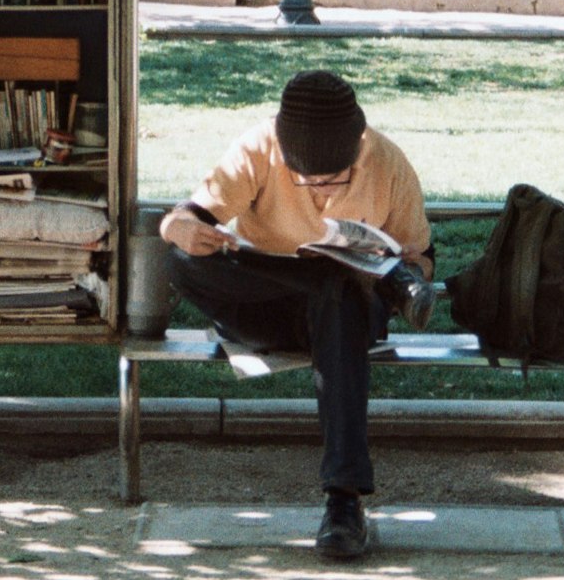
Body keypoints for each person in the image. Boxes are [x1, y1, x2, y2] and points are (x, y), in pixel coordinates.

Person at [162, 70, 434, 560]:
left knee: (340, 293)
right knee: (180, 261)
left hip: (348, 313)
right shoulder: (257, 148)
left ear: (358, 144)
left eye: (336, 177)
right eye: (307, 177)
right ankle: (325, 280)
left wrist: (407, 268)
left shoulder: (387, 161)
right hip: (266, 304)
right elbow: (188, 218)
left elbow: (422, 256)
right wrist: (179, 227)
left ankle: (344, 502)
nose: (323, 188)